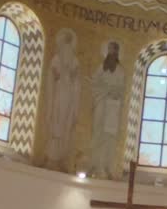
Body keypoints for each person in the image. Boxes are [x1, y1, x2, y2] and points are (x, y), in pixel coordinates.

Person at [89, 42, 126, 179]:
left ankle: (106, 166)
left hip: (113, 106)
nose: (112, 54)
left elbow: (121, 89)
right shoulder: (101, 68)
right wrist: (102, 90)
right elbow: (94, 82)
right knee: (97, 132)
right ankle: (94, 164)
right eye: (109, 51)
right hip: (101, 102)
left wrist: (113, 91)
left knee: (109, 136)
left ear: (117, 54)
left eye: (114, 51)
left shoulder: (120, 71)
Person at [46, 29, 81, 169]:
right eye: (64, 42)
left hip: (68, 95)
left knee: (64, 122)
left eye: (69, 42)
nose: (67, 46)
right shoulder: (56, 58)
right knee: (56, 120)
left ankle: (61, 157)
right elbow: (52, 75)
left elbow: (76, 79)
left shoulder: (74, 60)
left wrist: (71, 77)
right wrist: (59, 75)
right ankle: (51, 157)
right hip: (58, 92)